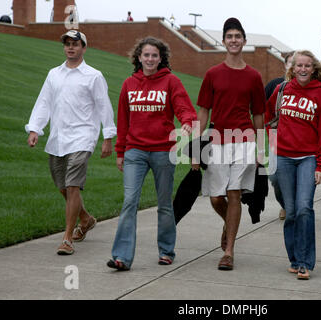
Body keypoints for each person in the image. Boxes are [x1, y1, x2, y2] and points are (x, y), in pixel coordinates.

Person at [107, 37, 197, 271]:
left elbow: (184, 107)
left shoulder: (170, 81)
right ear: (139, 57)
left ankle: (166, 251)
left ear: (160, 58)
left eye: (154, 55)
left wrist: (187, 121)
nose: (149, 59)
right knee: (129, 202)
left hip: (162, 152)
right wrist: (120, 152)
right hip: (135, 151)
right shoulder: (129, 84)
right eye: (146, 55)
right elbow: (123, 121)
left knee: (165, 204)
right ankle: (121, 257)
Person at [25, 30, 117, 255]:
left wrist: (108, 137)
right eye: (67, 44)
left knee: (73, 185)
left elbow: (103, 106)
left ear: (84, 48)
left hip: (83, 136)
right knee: (63, 186)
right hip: (58, 137)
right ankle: (85, 219)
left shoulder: (93, 76)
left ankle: (67, 238)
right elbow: (44, 102)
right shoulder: (53, 74)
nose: (71, 48)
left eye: (76, 44)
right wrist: (35, 128)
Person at [193, 17, 266, 271]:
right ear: (223, 41)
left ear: (244, 41)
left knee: (234, 192)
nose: (234, 40)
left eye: (238, 36)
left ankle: (229, 251)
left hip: (245, 139)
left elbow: (258, 116)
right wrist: (193, 147)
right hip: (218, 139)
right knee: (215, 198)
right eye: (229, 36)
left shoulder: (254, 76)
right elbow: (203, 112)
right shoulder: (212, 74)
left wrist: (263, 149)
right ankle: (229, 222)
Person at [266, 50, 321, 280]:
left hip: (308, 158)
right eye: (299, 66)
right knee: (292, 211)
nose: (303, 69)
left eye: (307, 66)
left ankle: (305, 262)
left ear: (314, 69)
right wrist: (273, 144)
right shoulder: (282, 90)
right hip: (284, 157)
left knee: (305, 207)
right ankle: (294, 259)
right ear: (292, 68)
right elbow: (268, 118)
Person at [264, 52, 293, 220]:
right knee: (274, 178)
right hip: (276, 138)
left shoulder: (310, 87)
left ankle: (293, 207)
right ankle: (285, 205)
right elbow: (261, 112)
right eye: (290, 63)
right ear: (285, 65)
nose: (293, 67)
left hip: (299, 141)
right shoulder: (275, 86)